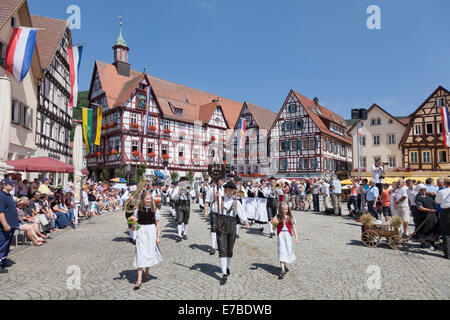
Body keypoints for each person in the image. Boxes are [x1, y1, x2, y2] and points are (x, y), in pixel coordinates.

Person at [216, 181, 250, 285]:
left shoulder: (237, 201)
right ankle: (224, 273)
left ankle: (227, 267)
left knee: (230, 249)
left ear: (234, 191)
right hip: (221, 225)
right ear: (225, 190)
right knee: (222, 249)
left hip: (232, 225)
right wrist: (215, 201)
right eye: (228, 190)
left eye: (231, 190)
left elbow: (241, 213)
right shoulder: (220, 199)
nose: (229, 191)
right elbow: (213, 209)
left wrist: (246, 222)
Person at [132, 191, 163, 290]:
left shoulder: (155, 210)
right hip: (141, 232)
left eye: (150, 199)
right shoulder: (137, 211)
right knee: (140, 253)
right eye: (147, 199)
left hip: (151, 232)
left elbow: (157, 224)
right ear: (143, 200)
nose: (149, 201)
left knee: (149, 253)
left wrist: (158, 236)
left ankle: (147, 272)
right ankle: (139, 279)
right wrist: (133, 225)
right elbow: (134, 226)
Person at [0, 179, 20, 272]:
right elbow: (1, 212)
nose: (12, 186)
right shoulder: (1, 196)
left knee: (7, 245)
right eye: (11, 184)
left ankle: (3, 261)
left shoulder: (8, 195)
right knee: (2, 245)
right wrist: (5, 224)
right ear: (4, 185)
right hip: (6, 225)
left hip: (11, 224)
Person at [275, 202, 298, 279]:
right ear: (280, 209)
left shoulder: (290, 217)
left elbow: (294, 227)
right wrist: (275, 225)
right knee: (281, 250)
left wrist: (296, 237)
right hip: (280, 235)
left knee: (288, 250)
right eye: (283, 209)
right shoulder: (277, 217)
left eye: (286, 209)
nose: (285, 210)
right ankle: (282, 269)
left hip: (288, 235)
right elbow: (273, 227)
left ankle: (284, 265)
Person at [415, 184, 440, 251]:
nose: (424, 190)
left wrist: (435, 193)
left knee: (435, 229)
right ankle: (423, 243)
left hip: (433, 215)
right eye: (422, 189)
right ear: (419, 190)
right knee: (423, 230)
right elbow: (419, 207)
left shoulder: (429, 195)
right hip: (424, 216)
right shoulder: (418, 197)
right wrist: (430, 210)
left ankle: (432, 244)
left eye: (425, 189)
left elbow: (437, 199)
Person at [204, 179, 224, 255]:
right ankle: (212, 247)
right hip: (214, 211)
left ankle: (220, 245)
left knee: (221, 229)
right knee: (213, 227)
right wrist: (205, 211)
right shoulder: (211, 190)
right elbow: (207, 201)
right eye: (222, 179)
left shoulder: (225, 189)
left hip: (223, 212)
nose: (223, 181)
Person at [172, 177, 191, 242]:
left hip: (187, 204)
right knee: (180, 219)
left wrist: (189, 193)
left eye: (186, 182)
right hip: (179, 204)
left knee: (186, 220)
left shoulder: (189, 188)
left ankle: (185, 233)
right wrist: (179, 191)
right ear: (180, 182)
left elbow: (193, 196)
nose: (185, 183)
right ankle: (179, 235)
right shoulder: (177, 188)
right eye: (184, 182)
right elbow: (173, 197)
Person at [436, 178, 450, 259]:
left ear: (445, 184)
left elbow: (437, 201)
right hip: (446, 212)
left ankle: (448, 254)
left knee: (446, 234)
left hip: (446, 212)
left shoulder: (441, 192)